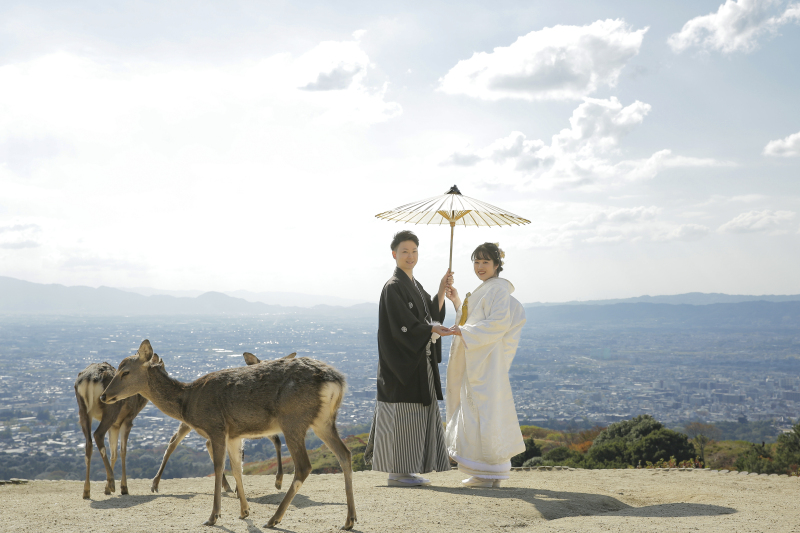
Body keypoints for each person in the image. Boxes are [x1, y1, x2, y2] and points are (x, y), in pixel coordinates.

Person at [364, 230, 454, 486]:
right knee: (403, 416)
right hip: (401, 365)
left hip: (417, 362)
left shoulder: (414, 284)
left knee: (415, 416)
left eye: (414, 251)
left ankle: (407, 470)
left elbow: (428, 315)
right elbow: (405, 326)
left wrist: (441, 290)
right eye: (405, 251)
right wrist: (429, 330)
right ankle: (398, 472)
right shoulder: (393, 287)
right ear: (394, 254)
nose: (410, 256)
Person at [444, 242, 526, 488]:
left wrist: (465, 331)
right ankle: (485, 472)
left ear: (497, 265)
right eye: (476, 262)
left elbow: (498, 322)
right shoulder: (488, 289)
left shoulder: (497, 289)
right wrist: (458, 301)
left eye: (485, 262)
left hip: (486, 360)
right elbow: (473, 320)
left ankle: (487, 471)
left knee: (482, 413)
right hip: (480, 357)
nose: (480, 267)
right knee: (478, 412)